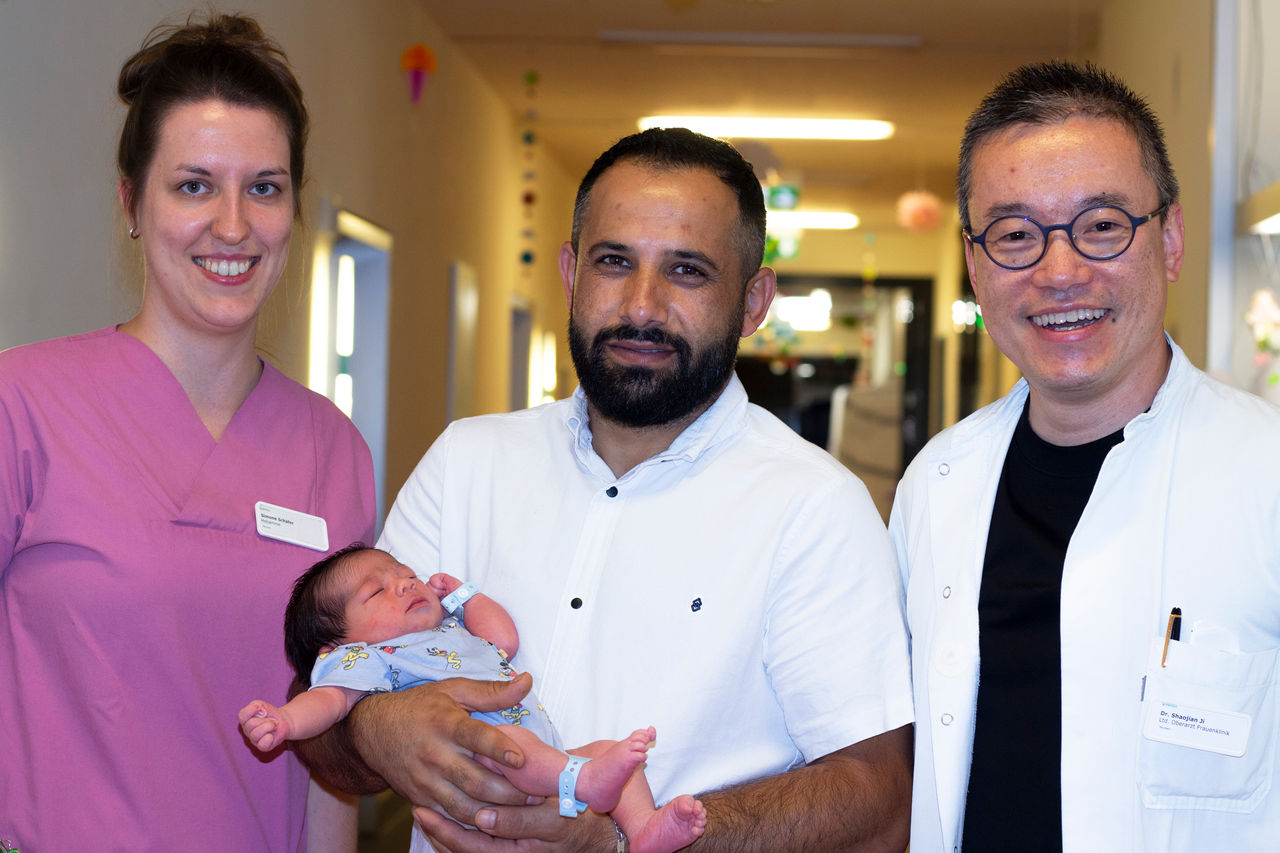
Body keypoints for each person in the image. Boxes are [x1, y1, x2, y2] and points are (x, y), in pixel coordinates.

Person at [298, 127, 914, 852]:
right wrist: (377, 725)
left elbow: (880, 797)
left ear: (754, 301)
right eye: (614, 261)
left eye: (687, 270)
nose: (642, 306)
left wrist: (619, 843)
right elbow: (327, 722)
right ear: (570, 271)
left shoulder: (814, 507)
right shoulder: (467, 462)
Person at [0, 13, 376, 852]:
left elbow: (331, 746)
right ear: (132, 202)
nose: (234, 225)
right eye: (195, 184)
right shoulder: (22, 407)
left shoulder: (333, 451)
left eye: (266, 187)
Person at [891, 60, 1280, 852]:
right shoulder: (937, 483)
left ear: (1169, 239)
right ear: (974, 265)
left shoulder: (1263, 473)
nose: (1059, 272)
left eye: (1102, 225)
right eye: (1015, 235)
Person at [241, 545, 708, 853]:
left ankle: (643, 827)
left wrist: (464, 597)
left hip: (538, 756)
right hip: (482, 765)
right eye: (377, 591)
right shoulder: (369, 658)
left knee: (610, 751)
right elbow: (331, 702)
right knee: (505, 740)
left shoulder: (453, 632)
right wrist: (284, 721)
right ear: (338, 646)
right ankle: (584, 782)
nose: (404, 583)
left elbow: (503, 639)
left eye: (405, 574)